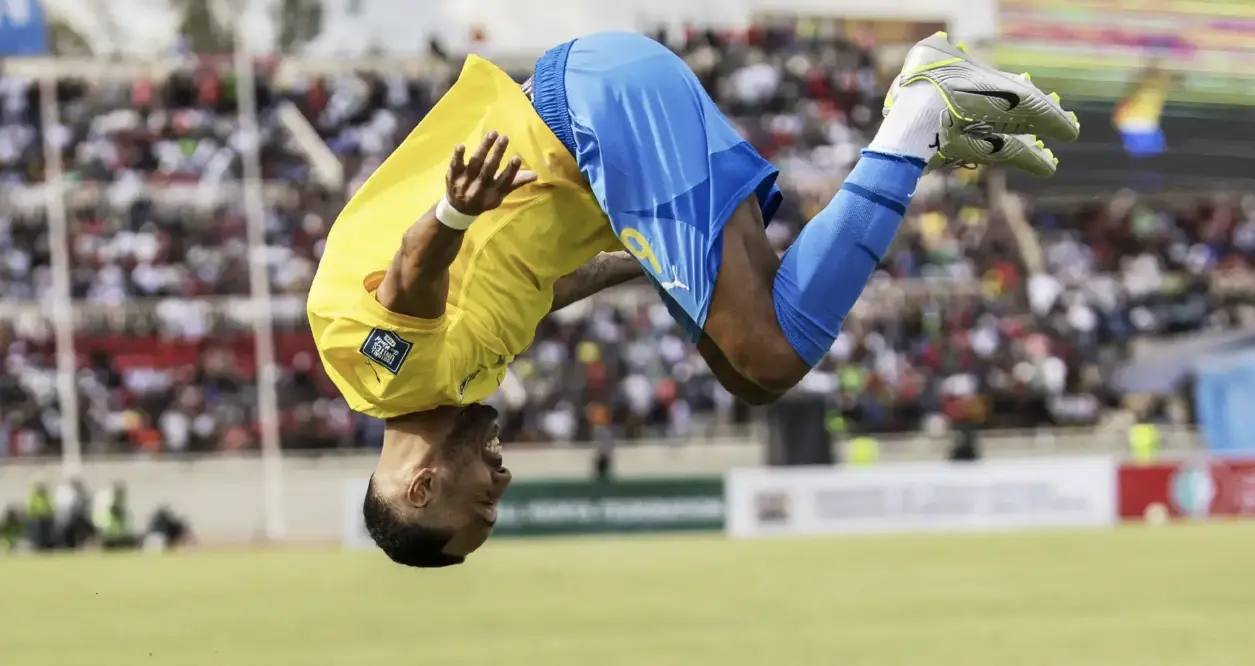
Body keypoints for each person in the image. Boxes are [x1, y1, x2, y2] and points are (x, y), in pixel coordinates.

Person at [308, 31, 1078, 568]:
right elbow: (535, 289)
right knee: (745, 371)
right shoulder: (452, 383)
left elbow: (413, 269)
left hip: (594, 121)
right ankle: (926, 134)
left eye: (482, 508)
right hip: (605, 120)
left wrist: (454, 213)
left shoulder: (386, 378)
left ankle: (921, 112)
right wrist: (643, 265)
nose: (500, 489)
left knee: (768, 355)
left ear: (421, 486)